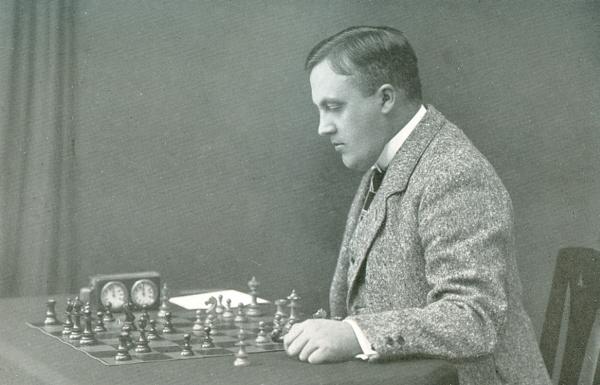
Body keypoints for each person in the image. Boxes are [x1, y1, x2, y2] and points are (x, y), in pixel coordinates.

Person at [283, 26, 551, 385]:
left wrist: (356, 334)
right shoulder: (391, 158)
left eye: (334, 107)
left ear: (386, 99)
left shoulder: (454, 173)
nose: (323, 128)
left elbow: (473, 318)